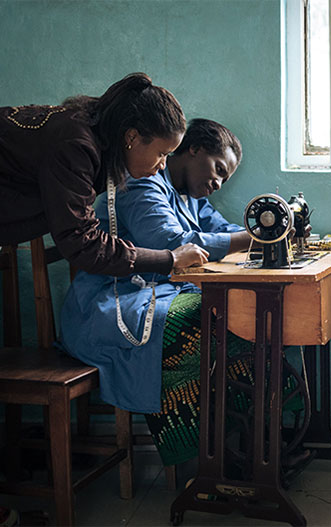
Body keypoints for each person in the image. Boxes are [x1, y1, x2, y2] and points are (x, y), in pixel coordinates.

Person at [58, 119, 260, 467]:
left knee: (236, 315)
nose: (217, 183)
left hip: (152, 293)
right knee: (199, 322)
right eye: (217, 170)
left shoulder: (189, 197)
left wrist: (257, 230)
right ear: (193, 149)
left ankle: (245, 445)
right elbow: (169, 243)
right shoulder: (143, 182)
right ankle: (206, 456)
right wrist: (257, 236)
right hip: (112, 299)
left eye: (224, 179)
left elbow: (221, 230)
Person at [0, 72, 208, 275]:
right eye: (162, 154)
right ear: (132, 137)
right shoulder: (76, 146)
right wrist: (170, 259)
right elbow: (82, 242)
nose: (163, 165)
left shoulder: (90, 132)